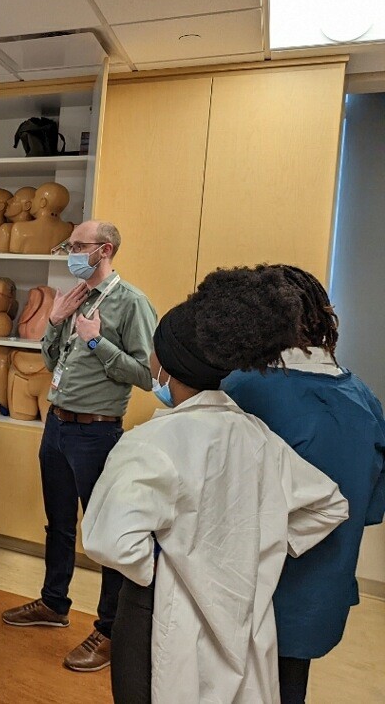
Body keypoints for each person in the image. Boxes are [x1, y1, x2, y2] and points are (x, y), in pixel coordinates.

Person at [81, 270, 350, 704]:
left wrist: (176, 564)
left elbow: (111, 543)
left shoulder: (149, 444)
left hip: (164, 625)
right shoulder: (258, 436)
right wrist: (254, 546)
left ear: (163, 364)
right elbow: (329, 506)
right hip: (246, 623)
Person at [221, 265, 385, 704]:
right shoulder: (364, 398)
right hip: (321, 589)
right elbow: (368, 507)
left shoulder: (244, 389)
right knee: (290, 685)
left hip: (253, 590)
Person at [1, 220, 157, 673]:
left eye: (77, 245)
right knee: (59, 523)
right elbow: (54, 361)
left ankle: (108, 631)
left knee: (104, 534)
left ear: (103, 250)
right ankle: (54, 604)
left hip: (97, 432)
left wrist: (97, 341)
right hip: (58, 425)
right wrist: (54, 323)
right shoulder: (76, 298)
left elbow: (147, 376)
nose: (69, 251)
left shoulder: (131, 303)